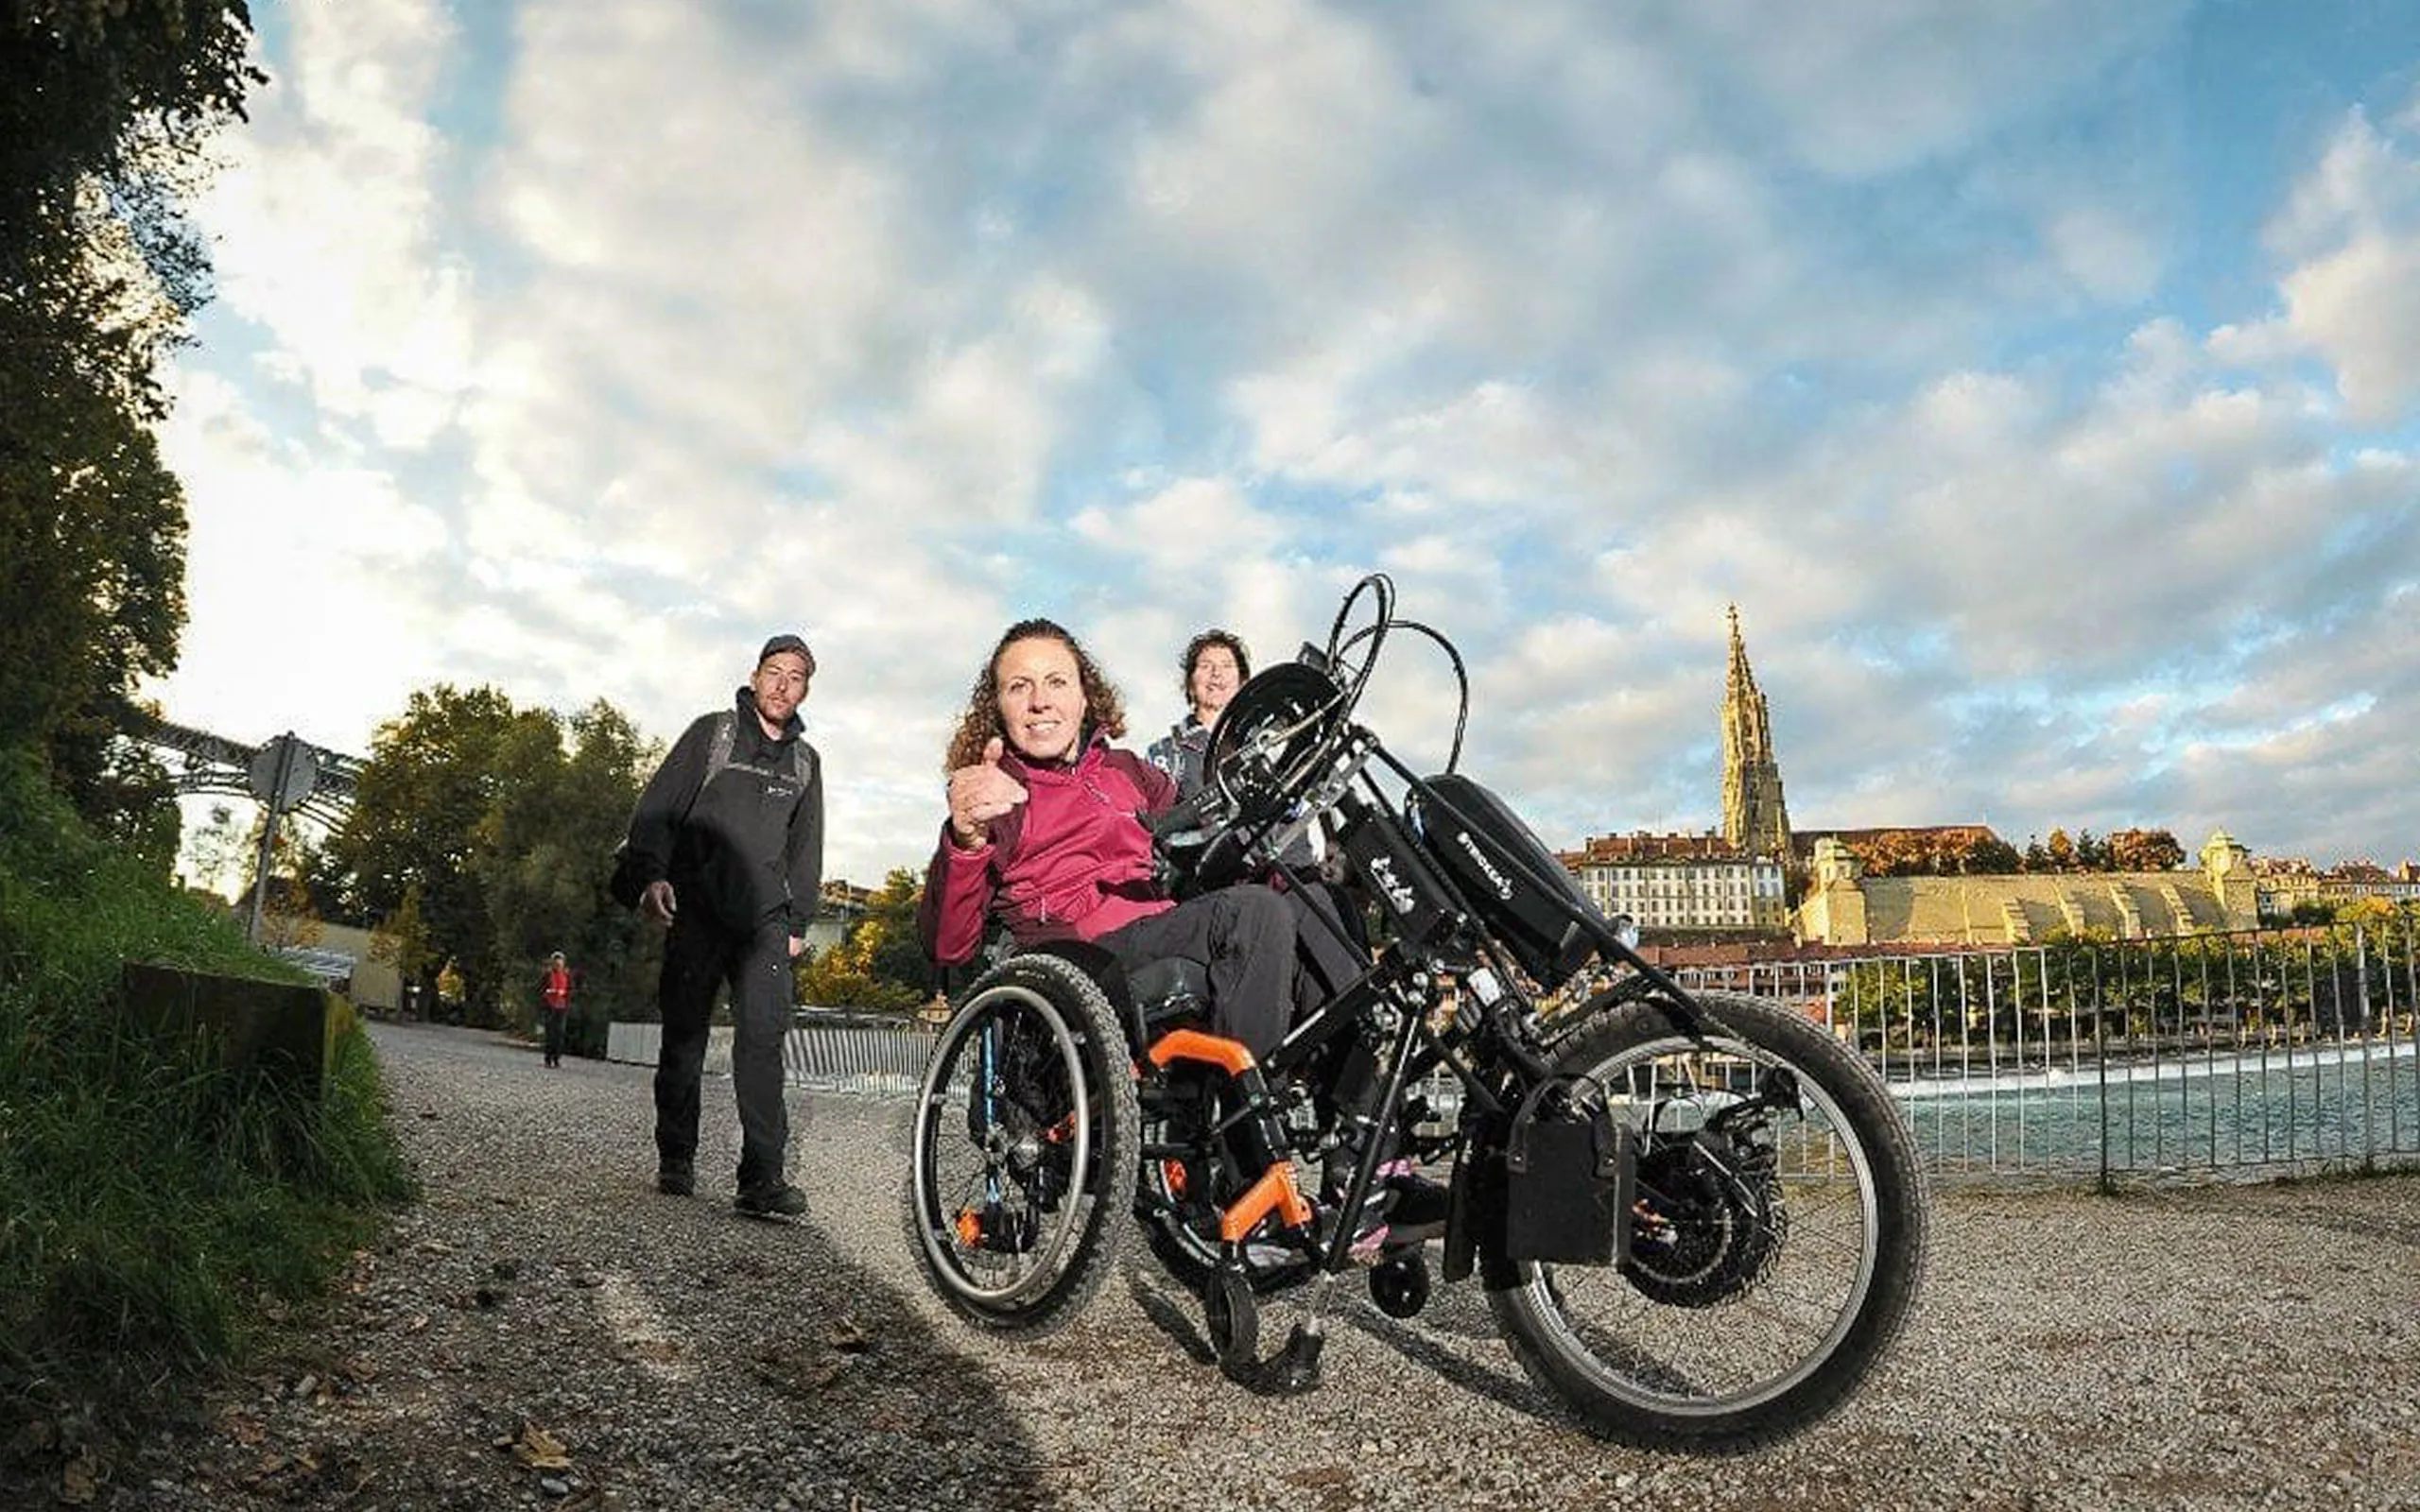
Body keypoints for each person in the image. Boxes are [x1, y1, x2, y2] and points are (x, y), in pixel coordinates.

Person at [917, 618, 1302, 1057]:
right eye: (1019, 687)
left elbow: (1200, 835)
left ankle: (1359, 1109)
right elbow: (948, 946)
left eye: (1057, 682)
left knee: (1313, 903)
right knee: (1253, 912)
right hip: (1079, 953)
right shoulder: (998, 793)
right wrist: (965, 842)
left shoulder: (1127, 769)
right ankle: (1243, 1117)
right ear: (998, 707)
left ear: (1084, 697)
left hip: (1159, 923)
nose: (1040, 701)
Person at [620, 634, 824, 1218]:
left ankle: (761, 1179)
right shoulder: (713, 734)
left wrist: (799, 918)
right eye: (774, 672)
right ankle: (677, 1157)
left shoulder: (807, 764)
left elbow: (806, 847)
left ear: (807, 688)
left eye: (796, 677)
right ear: (755, 677)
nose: (783, 685)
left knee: (763, 1042)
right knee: (684, 1037)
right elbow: (656, 808)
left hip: (764, 924)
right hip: (697, 912)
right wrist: (652, 874)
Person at [1145, 628, 1249, 798]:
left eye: (1227, 666)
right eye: (1205, 666)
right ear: (1190, 683)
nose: (1216, 673)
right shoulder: (1165, 753)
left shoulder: (1265, 741)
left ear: (1242, 681)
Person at [539, 951, 572, 1068]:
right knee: (550, 1033)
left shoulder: (567, 975)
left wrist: (566, 995)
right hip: (550, 1005)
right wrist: (548, 992)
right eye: (556, 963)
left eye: (560, 963)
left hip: (561, 1006)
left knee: (560, 1033)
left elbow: (570, 990)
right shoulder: (547, 975)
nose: (558, 965)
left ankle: (557, 1058)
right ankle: (548, 1058)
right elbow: (541, 989)